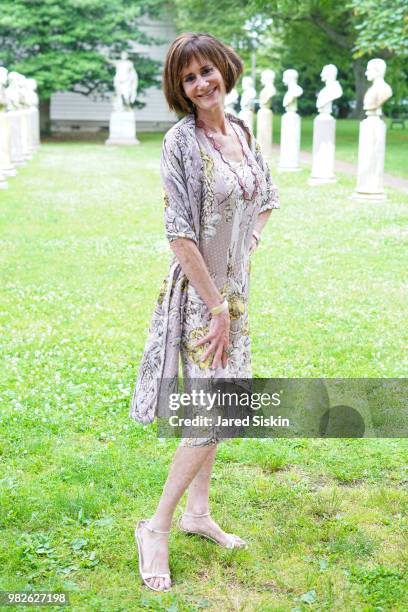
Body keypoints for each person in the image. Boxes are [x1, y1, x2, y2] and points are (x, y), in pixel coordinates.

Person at [131, 32, 280, 592]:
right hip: (201, 300)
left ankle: (197, 514)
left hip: (233, 298)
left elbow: (266, 197)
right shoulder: (180, 142)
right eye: (188, 77)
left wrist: (248, 250)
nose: (201, 83)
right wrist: (216, 303)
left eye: (206, 71)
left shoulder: (240, 131)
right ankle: (157, 525)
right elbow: (179, 234)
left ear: (224, 68)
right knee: (211, 414)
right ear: (180, 88)